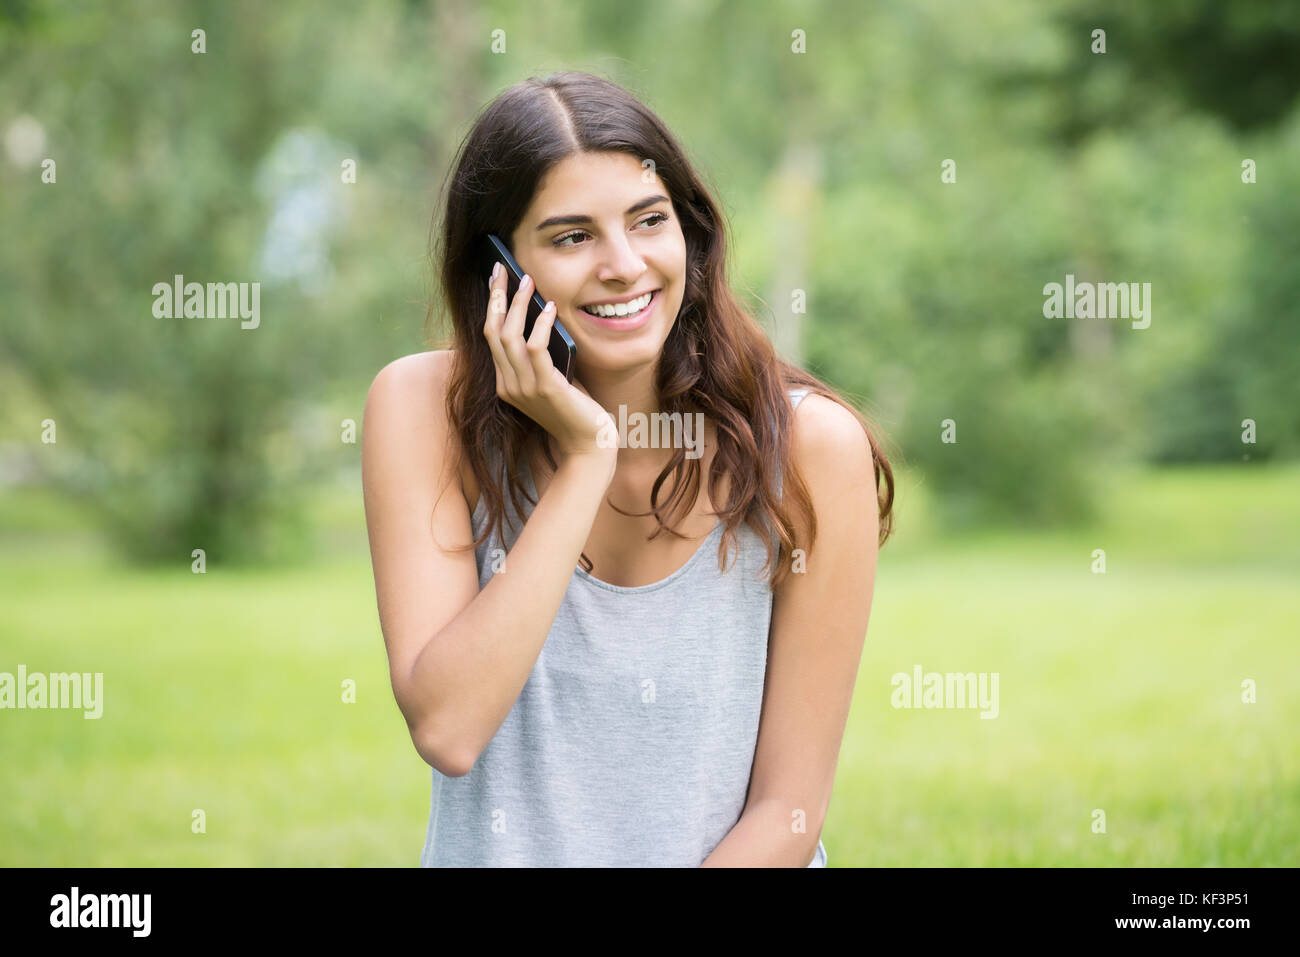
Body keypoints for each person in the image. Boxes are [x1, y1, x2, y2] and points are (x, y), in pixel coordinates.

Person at [362, 71, 895, 867]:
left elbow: (789, 810)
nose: (623, 265)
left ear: (691, 233)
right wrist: (585, 457)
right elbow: (449, 726)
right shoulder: (420, 408)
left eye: (649, 221)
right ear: (500, 267)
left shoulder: (811, 448)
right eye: (572, 236)